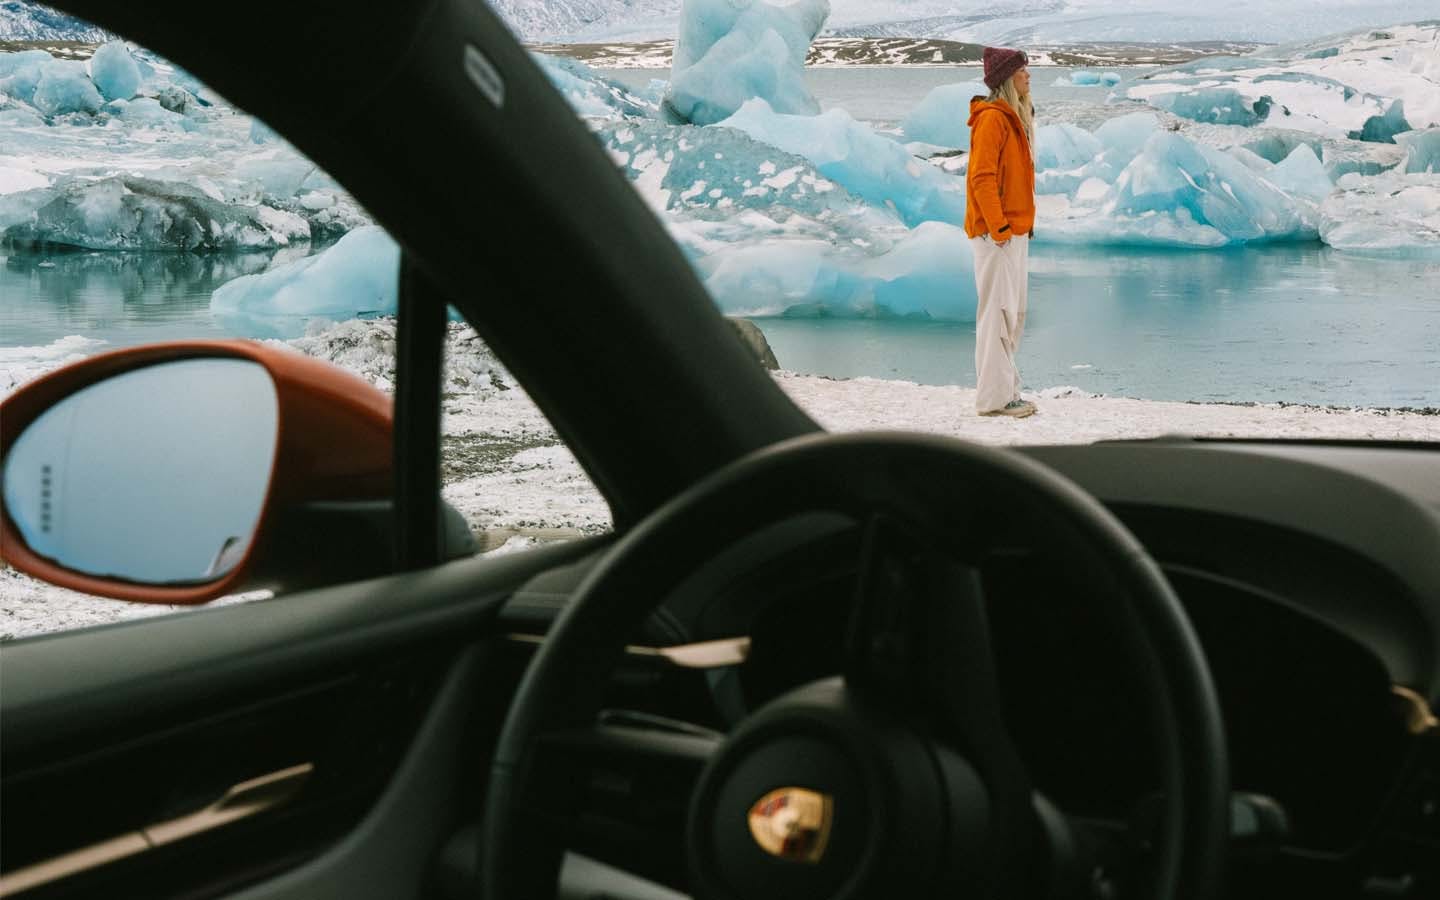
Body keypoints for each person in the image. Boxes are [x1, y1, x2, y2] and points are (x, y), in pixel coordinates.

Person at [966, 46, 1037, 418]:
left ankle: (1006, 392)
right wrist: (999, 227)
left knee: (1013, 314)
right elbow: (982, 177)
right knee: (997, 314)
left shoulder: (1014, 118)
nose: (1028, 76)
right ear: (1007, 78)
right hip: (997, 234)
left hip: (1015, 231)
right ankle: (993, 400)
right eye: (1023, 71)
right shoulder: (993, 119)